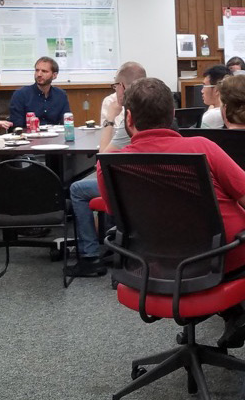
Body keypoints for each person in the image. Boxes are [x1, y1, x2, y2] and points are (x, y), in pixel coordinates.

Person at [100, 77, 245, 347]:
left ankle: (232, 316)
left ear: (128, 119)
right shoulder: (201, 147)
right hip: (223, 259)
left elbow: (125, 218)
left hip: (155, 267)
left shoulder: (109, 166)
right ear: (172, 114)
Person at [67, 61, 148, 277]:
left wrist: (110, 119)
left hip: (129, 185)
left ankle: (90, 257)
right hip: (151, 182)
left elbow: (102, 159)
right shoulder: (154, 109)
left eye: (115, 86)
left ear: (122, 86)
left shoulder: (129, 121)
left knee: (77, 189)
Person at [7, 56, 72, 127]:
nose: (39, 74)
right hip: (28, 136)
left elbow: (66, 122)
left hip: (54, 136)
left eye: (44, 71)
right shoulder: (21, 95)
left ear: (54, 75)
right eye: (37, 70)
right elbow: (17, 126)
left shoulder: (61, 95)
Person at [199, 65, 233, 129]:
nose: (202, 91)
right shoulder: (236, 111)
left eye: (204, 86)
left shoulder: (211, 115)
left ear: (217, 90)